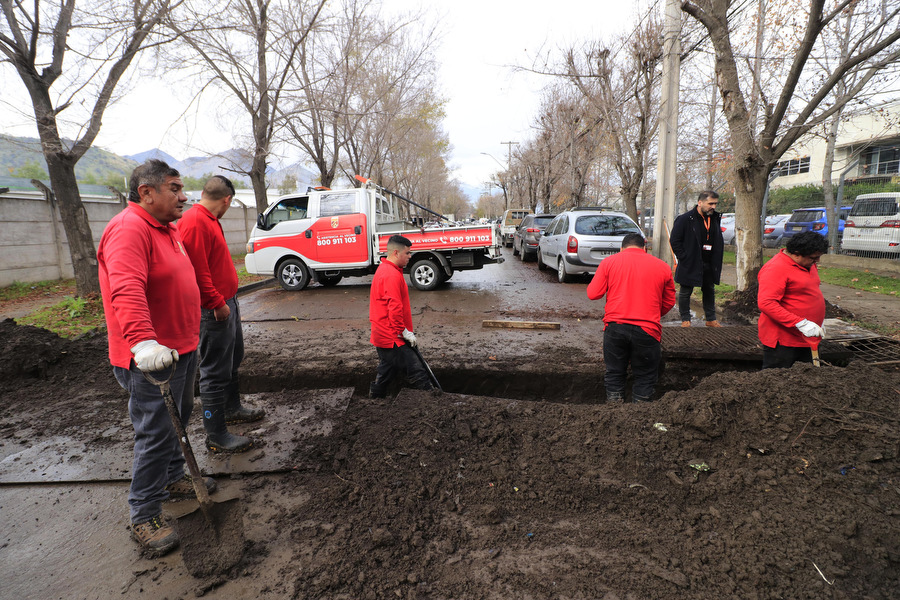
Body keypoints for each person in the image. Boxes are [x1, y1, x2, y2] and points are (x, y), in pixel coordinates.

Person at [97, 159, 216, 557]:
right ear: (146, 192)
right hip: (152, 358)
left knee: (177, 420)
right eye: (175, 188)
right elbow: (126, 289)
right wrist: (144, 343)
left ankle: (171, 477)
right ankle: (144, 512)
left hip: (180, 349)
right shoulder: (129, 229)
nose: (184, 197)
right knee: (156, 432)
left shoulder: (166, 228)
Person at [179, 175, 264, 454]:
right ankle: (216, 433)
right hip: (213, 309)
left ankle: (231, 408)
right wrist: (216, 302)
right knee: (214, 371)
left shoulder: (209, 219)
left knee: (233, 357)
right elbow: (196, 269)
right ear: (227, 200)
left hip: (227, 302)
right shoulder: (194, 222)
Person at [586, 233, 676, 403]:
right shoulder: (662, 266)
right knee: (645, 377)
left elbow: (593, 294)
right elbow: (669, 301)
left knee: (614, 372)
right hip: (648, 331)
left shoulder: (609, 263)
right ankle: (639, 417)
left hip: (615, 328)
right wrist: (651, 314)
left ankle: (614, 410)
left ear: (621, 248)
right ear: (645, 248)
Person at [368, 235, 435, 398]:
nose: (410, 256)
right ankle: (433, 402)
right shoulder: (391, 275)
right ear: (396, 253)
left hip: (384, 334)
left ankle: (375, 397)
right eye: (408, 253)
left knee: (387, 368)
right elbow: (394, 308)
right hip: (392, 337)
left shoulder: (387, 270)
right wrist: (403, 332)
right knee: (417, 369)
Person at [757, 230, 828, 369]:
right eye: (813, 258)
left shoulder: (808, 264)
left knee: (808, 380)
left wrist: (818, 320)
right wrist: (801, 323)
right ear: (796, 254)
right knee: (778, 380)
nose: (817, 261)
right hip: (783, 341)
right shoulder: (775, 268)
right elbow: (766, 303)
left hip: (808, 337)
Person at [669, 190, 725, 327]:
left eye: (715, 204)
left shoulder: (715, 218)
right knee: (685, 291)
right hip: (691, 261)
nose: (713, 207)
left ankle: (711, 319)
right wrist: (684, 257)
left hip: (709, 262)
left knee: (709, 290)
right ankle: (685, 319)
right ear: (700, 203)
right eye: (710, 203)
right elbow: (675, 240)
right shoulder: (685, 219)